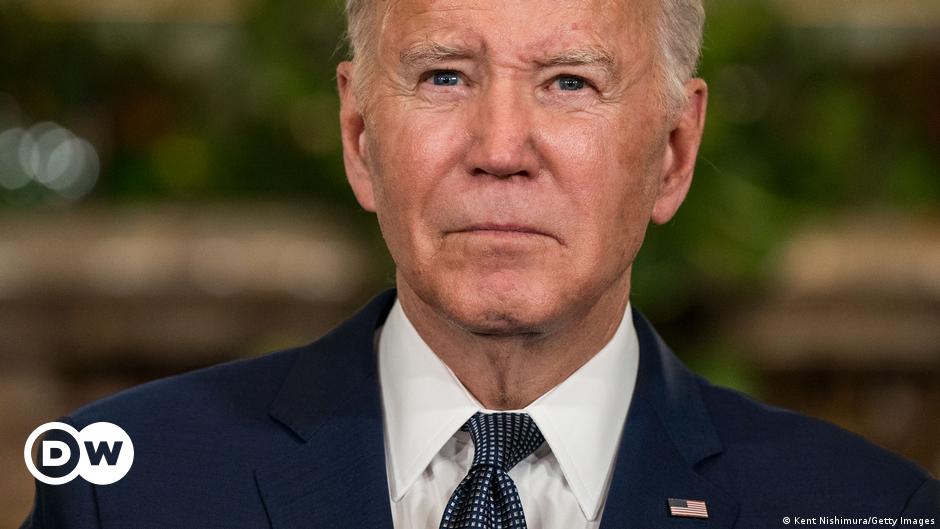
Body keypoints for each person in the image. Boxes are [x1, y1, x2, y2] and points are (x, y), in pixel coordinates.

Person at [21, 0, 939, 527]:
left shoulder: (873, 510)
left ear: (672, 150)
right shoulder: (128, 493)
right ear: (357, 136)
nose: (501, 147)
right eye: (444, 77)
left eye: (569, 82)